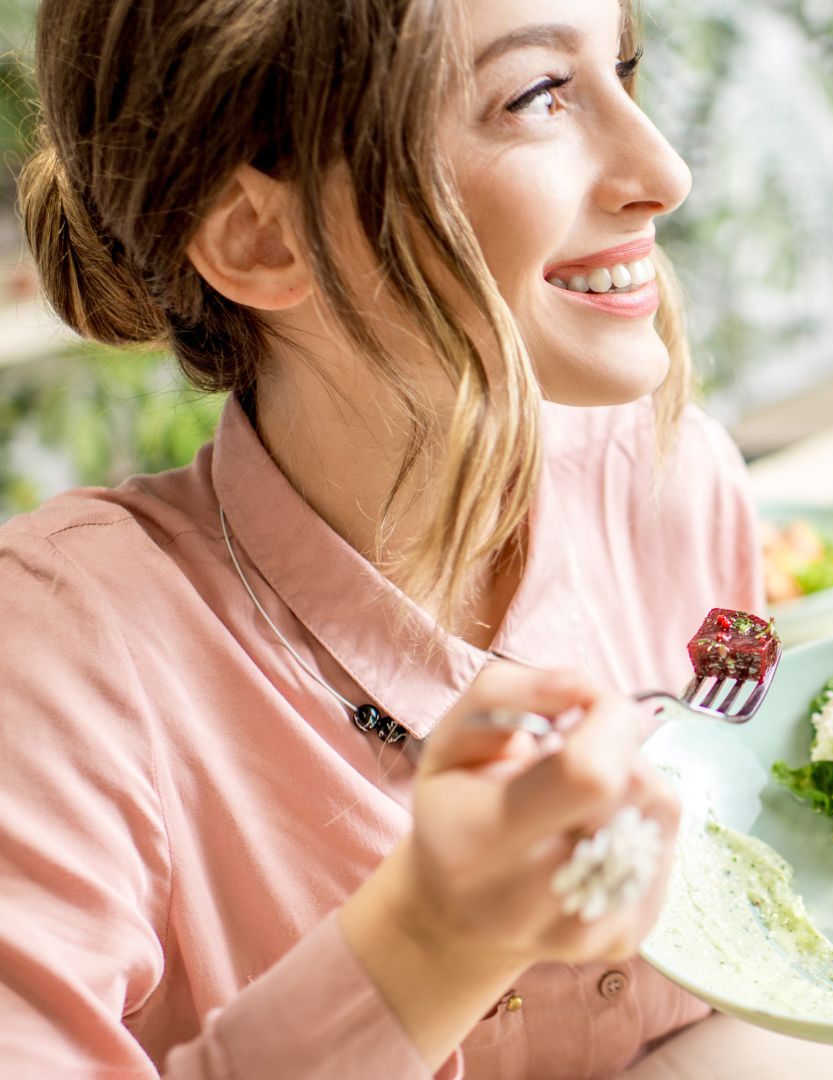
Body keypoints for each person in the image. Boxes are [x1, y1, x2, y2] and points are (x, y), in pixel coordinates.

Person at [0, 0, 764, 1077]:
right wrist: (429, 942)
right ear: (261, 238)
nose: (665, 169)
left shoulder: (676, 484)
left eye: (622, 69)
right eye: (538, 95)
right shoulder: (60, 659)